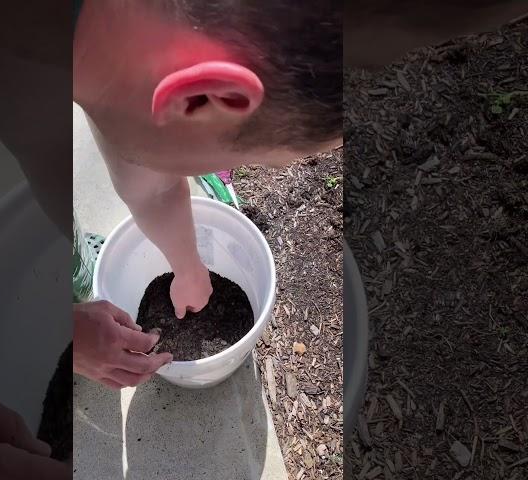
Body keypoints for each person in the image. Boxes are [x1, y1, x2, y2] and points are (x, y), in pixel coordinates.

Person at [71, 0, 342, 385]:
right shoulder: (20, 63)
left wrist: (189, 269)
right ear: (200, 99)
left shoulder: (128, 66)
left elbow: (152, 184)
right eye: (257, 160)